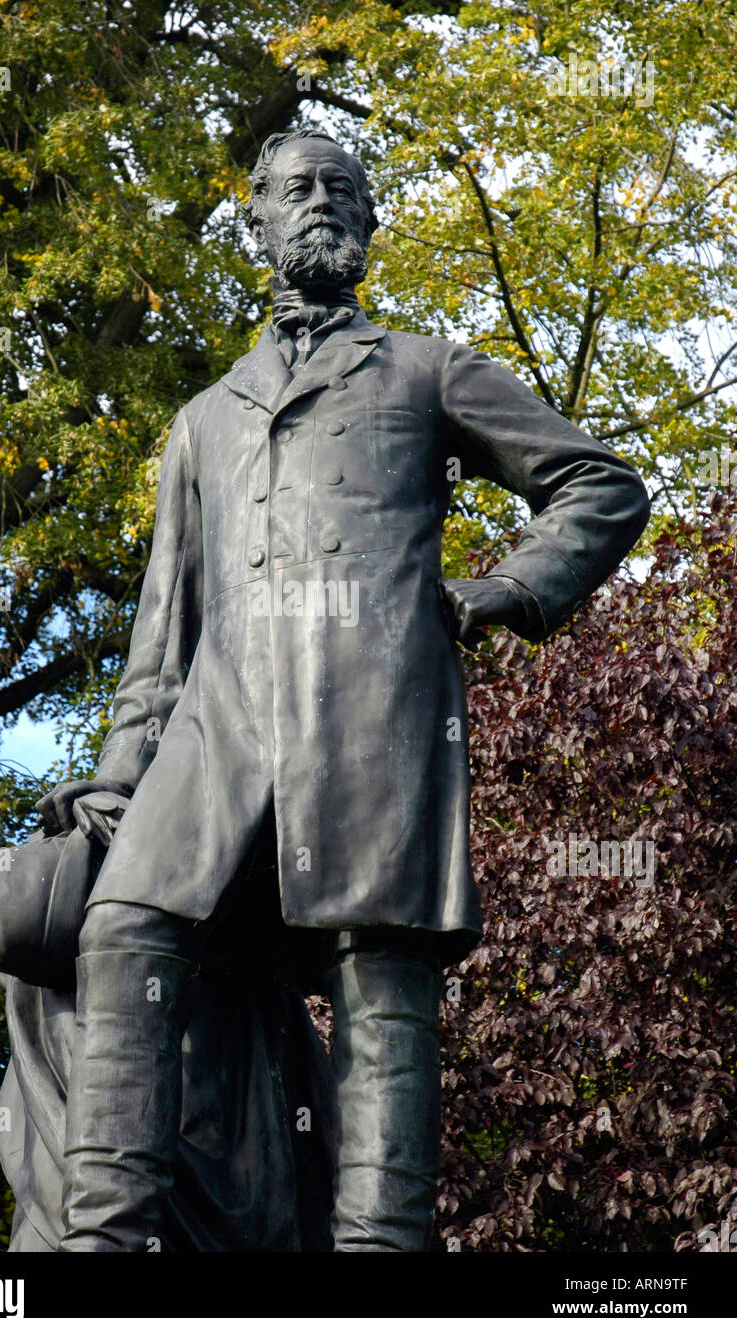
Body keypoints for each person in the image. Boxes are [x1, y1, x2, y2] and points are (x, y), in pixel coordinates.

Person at [37, 128, 649, 1252]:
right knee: (122, 930)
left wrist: (505, 590)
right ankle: (103, 1242)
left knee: (380, 991)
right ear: (258, 225)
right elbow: (160, 636)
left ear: (366, 226)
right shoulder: (204, 419)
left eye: (340, 191)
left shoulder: (425, 370)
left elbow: (602, 485)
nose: (318, 206)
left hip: (373, 733)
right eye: (295, 192)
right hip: (216, 743)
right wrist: (122, 776)